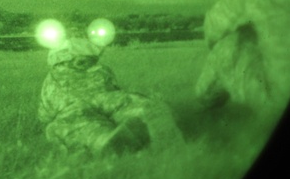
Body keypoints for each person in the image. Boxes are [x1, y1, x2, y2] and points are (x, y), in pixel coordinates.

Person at [38, 35, 183, 157]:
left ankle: (103, 138)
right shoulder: (102, 69)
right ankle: (146, 111)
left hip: (74, 107)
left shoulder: (52, 76)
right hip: (106, 97)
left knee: (75, 123)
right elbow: (114, 88)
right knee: (126, 101)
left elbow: (45, 113)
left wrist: (48, 118)